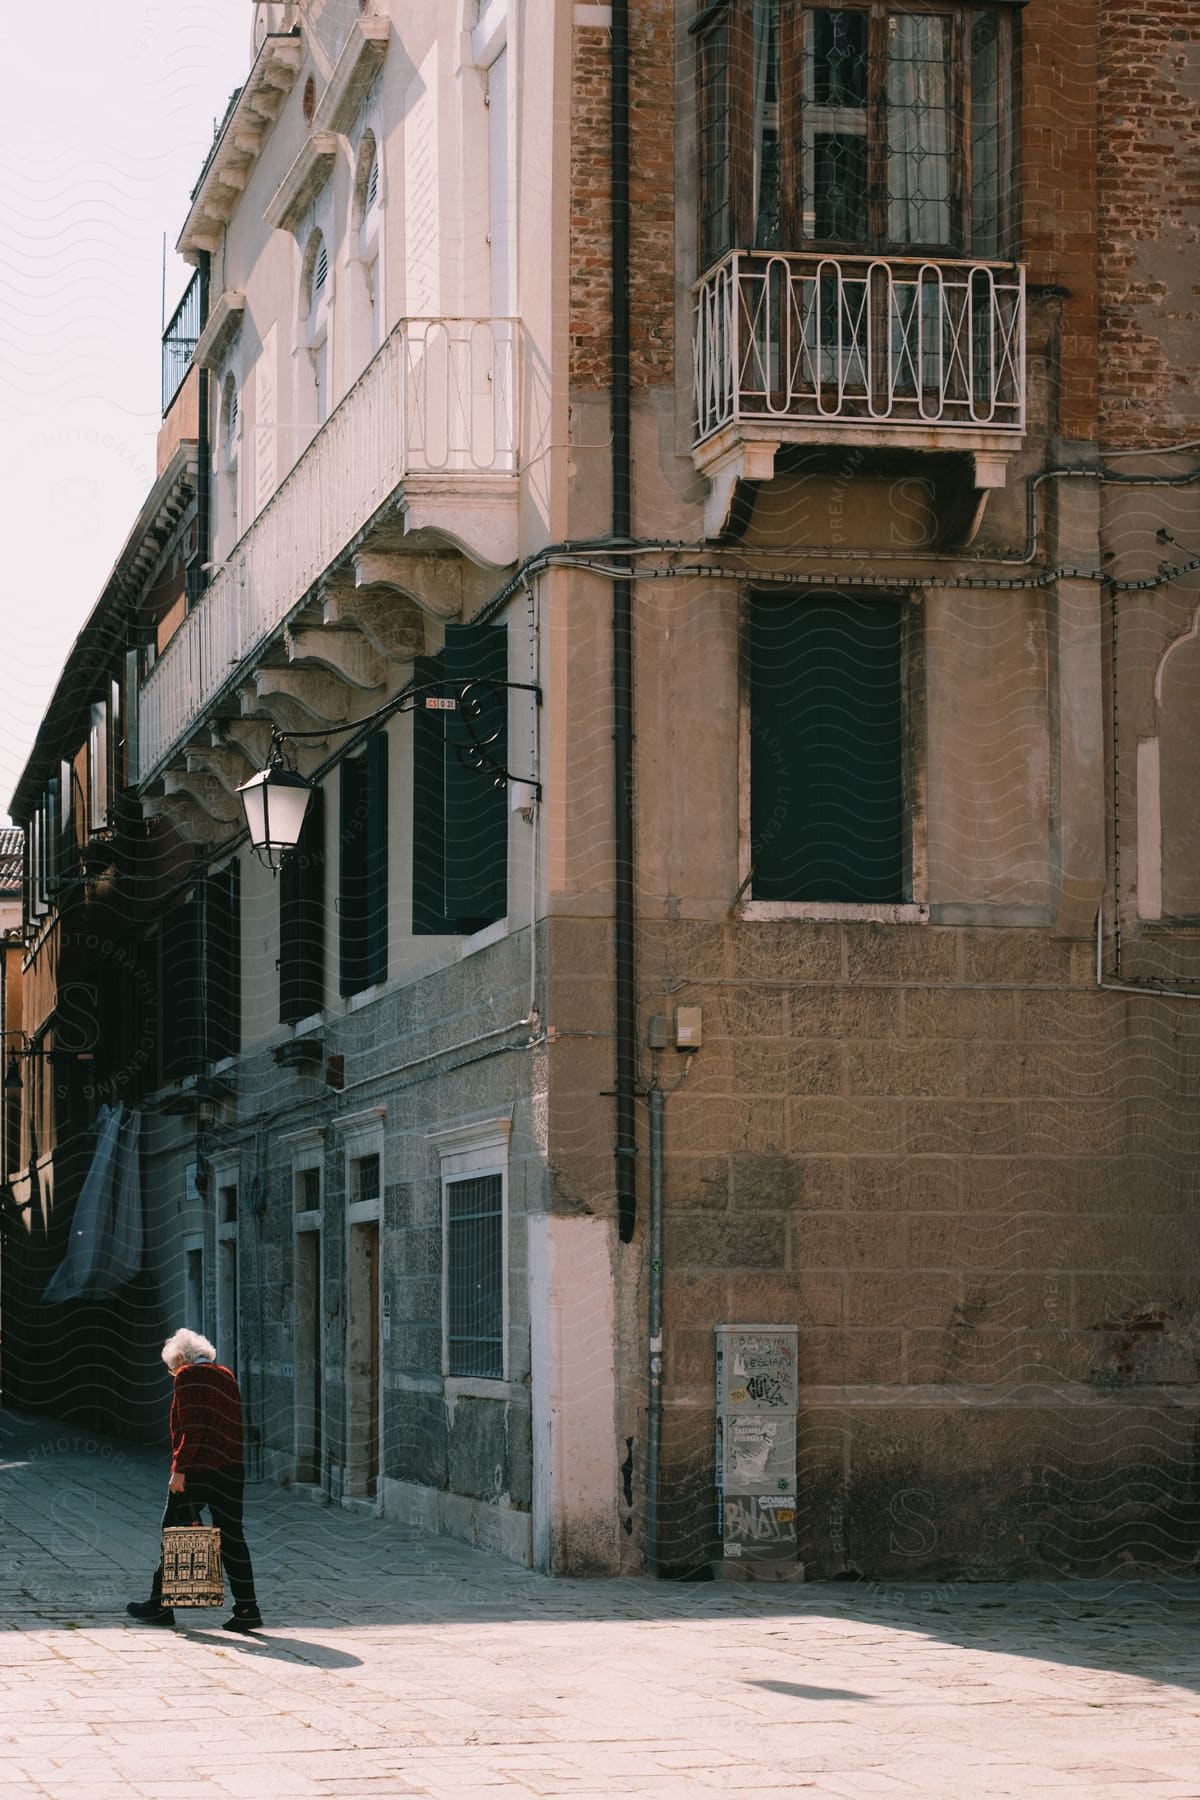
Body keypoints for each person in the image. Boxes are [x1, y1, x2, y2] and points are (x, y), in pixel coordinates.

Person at [126, 1329, 263, 1633]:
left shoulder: (188, 1376)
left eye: (171, 1368)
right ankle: (247, 1607)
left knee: (172, 1528)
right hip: (231, 1469)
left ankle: (160, 1606)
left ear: (179, 1358)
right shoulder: (225, 1373)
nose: (172, 1374)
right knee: (232, 1537)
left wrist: (179, 1469)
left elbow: (193, 1427)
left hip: (198, 1469)